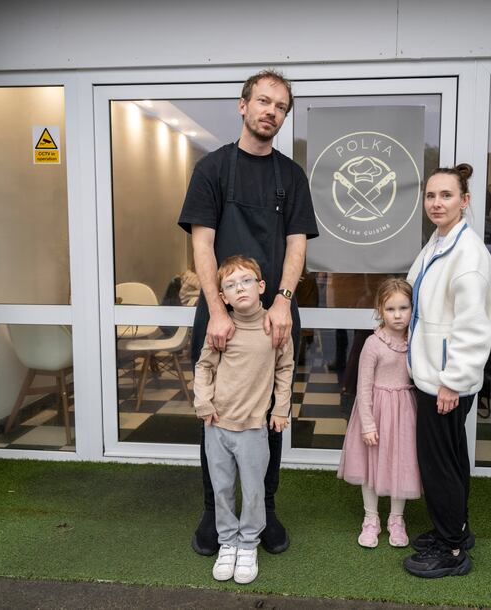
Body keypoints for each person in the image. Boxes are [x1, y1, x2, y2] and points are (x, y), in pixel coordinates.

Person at [178, 69, 319, 556]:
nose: (270, 112)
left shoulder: (291, 177)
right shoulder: (212, 170)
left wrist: (282, 300)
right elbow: (203, 246)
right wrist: (217, 310)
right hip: (220, 316)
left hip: (273, 315)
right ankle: (212, 510)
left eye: (280, 107)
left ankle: (267, 509)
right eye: (263, 102)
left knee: (271, 415)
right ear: (243, 105)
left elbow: (297, 246)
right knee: (214, 414)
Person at [403, 164, 491, 578]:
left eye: (446, 195)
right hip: (435, 376)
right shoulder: (439, 243)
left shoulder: (468, 255)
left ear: (465, 200)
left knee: (438, 464)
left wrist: (452, 383)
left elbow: (473, 328)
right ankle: (456, 529)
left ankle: (451, 551)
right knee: (453, 457)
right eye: (430, 196)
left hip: (444, 382)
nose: (436, 203)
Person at [194, 255, 294, 584]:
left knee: (253, 491)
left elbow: (285, 369)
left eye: (246, 281)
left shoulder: (275, 327)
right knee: (221, 489)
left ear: (261, 286)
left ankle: (249, 543)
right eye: (231, 285)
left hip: (253, 429)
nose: (240, 288)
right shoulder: (222, 328)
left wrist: (280, 409)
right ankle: (228, 543)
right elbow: (204, 367)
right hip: (217, 426)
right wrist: (203, 402)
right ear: (222, 297)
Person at [337, 278, 420, 548]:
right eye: (390, 309)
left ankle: (397, 519)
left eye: (403, 308)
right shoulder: (373, 343)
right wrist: (368, 424)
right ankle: (371, 518)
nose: (397, 315)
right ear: (380, 310)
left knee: (401, 463)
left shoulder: (415, 342)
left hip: (403, 413)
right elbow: (363, 387)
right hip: (376, 412)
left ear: (413, 308)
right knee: (370, 465)